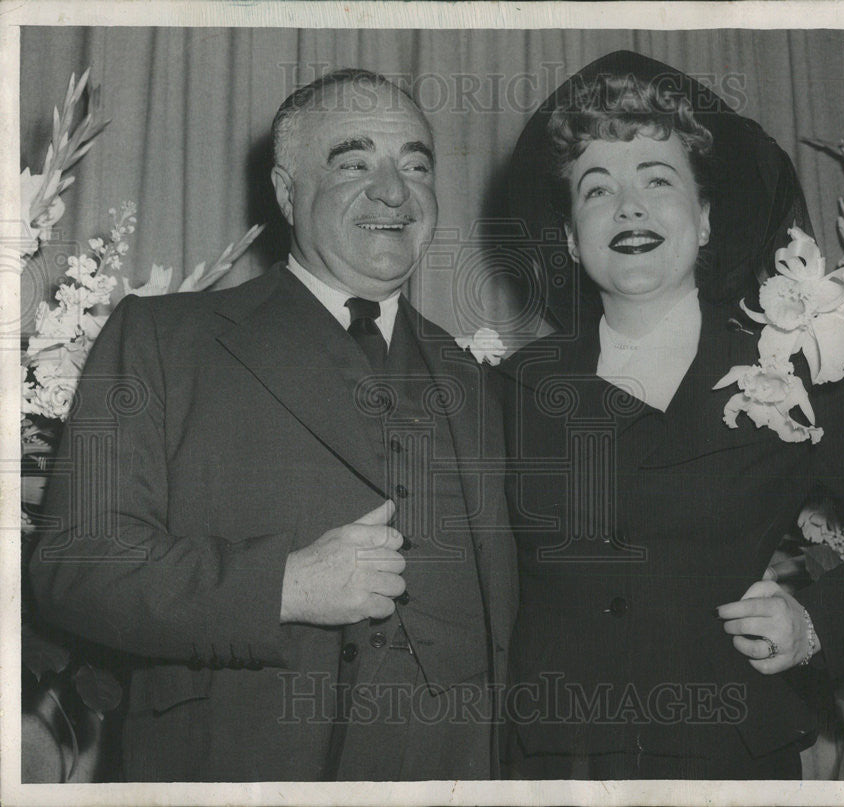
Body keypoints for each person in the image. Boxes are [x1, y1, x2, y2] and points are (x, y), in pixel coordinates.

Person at [30, 68, 517, 782]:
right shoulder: (162, 340)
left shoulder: (479, 382)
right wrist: (282, 585)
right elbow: (76, 564)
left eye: (416, 164)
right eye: (355, 162)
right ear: (288, 191)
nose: (394, 188)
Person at [498, 51, 844, 779]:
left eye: (658, 179)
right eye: (597, 189)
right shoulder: (513, 387)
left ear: (705, 218)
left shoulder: (805, 356)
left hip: (730, 762)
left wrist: (817, 624)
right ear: (568, 237)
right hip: (554, 766)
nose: (630, 207)